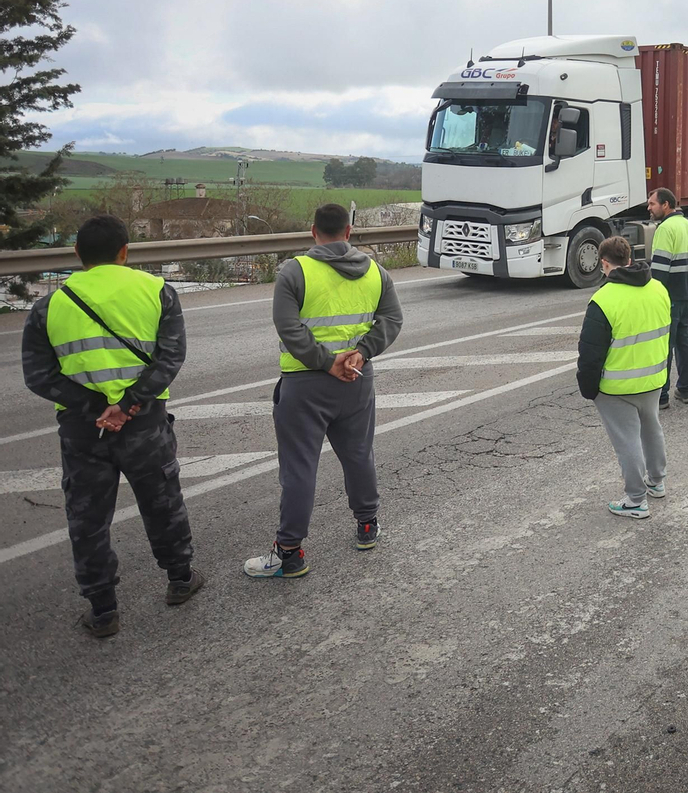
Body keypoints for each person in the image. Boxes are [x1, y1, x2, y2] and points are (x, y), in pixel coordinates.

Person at [20, 214, 203, 636]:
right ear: (125, 252)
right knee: (162, 501)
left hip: (84, 430)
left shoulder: (49, 306)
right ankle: (180, 580)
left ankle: (103, 611)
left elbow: (39, 376)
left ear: (78, 254)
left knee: (87, 519)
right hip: (145, 426)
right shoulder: (158, 291)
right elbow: (170, 358)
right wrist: (130, 404)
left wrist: (96, 406)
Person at [245, 203, 405, 579]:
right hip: (356, 380)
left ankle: (289, 553)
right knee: (359, 454)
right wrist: (361, 355)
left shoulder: (294, 271)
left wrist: (324, 361)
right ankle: (368, 526)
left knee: (300, 468)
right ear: (348, 232)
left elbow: (288, 327)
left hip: (305, 384)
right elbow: (393, 319)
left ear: (312, 231)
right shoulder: (376, 272)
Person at [578, 236, 671, 518]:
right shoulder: (658, 288)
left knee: (627, 441)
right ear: (629, 259)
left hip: (617, 387)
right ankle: (656, 482)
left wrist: (588, 387)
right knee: (651, 429)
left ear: (605, 264)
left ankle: (635, 500)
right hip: (654, 378)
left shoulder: (603, 299)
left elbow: (591, 353)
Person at [647, 187, 688, 407]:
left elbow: (659, 268)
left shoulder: (665, 229)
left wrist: (653, 296)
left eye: (652, 204)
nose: (649, 208)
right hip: (686, 292)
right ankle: (686, 389)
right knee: (683, 341)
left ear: (665, 205)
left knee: (664, 345)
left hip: (669, 296)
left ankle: (661, 396)